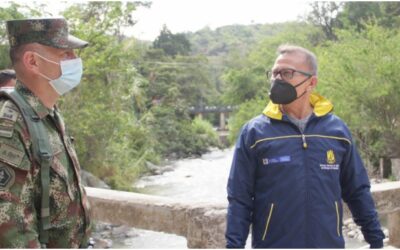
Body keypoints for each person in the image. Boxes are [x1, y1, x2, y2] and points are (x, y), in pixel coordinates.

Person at [225, 45, 385, 248]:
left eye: (287, 73)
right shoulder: (255, 133)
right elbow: (239, 198)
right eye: (274, 73)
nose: (277, 79)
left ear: (312, 82)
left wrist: (376, 241)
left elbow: (357, 190)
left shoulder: (337, 131)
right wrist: (233, 246)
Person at [0, 17, 92, 248]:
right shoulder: (10, 125)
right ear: (32, 61)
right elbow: (11, 234)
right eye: (65, 54)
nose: (75, 61)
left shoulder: (48, 114)